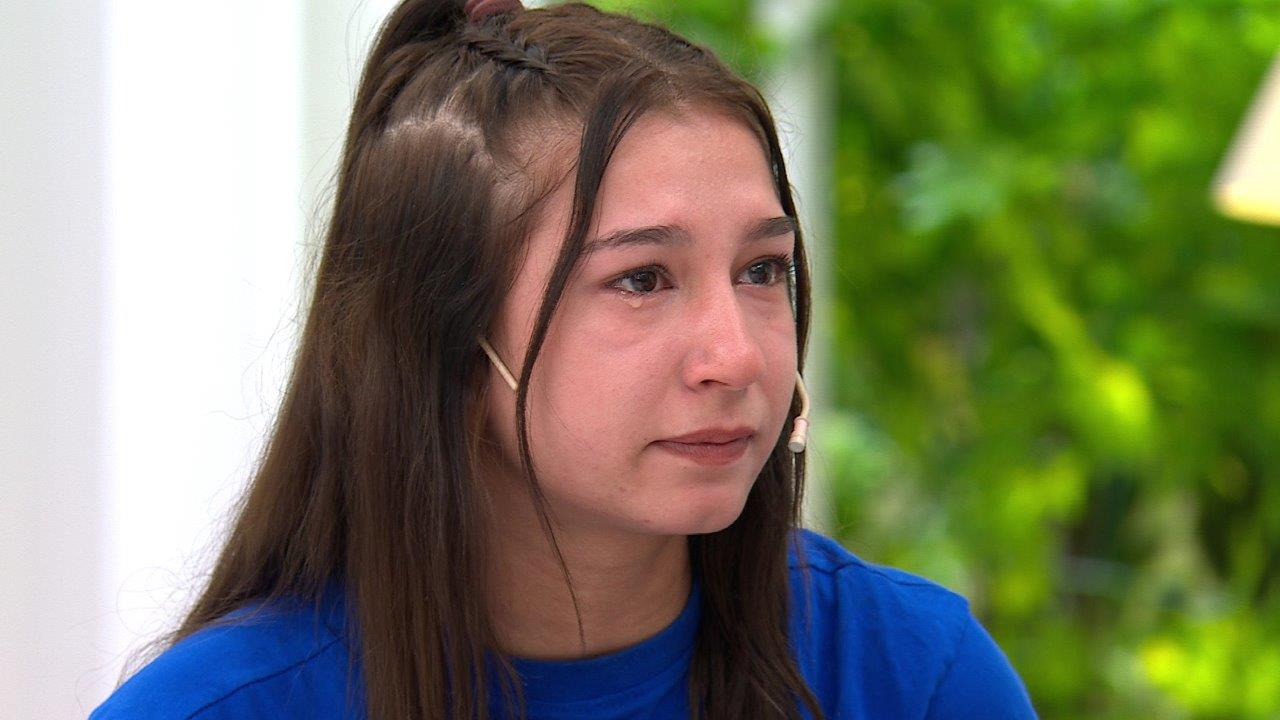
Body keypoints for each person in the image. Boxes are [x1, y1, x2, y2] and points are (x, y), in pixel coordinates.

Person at [90, 0, 1039, 718]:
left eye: (762, 269)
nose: (736, 355)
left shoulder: (916, 676)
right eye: (642, 280)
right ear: (447, 338)